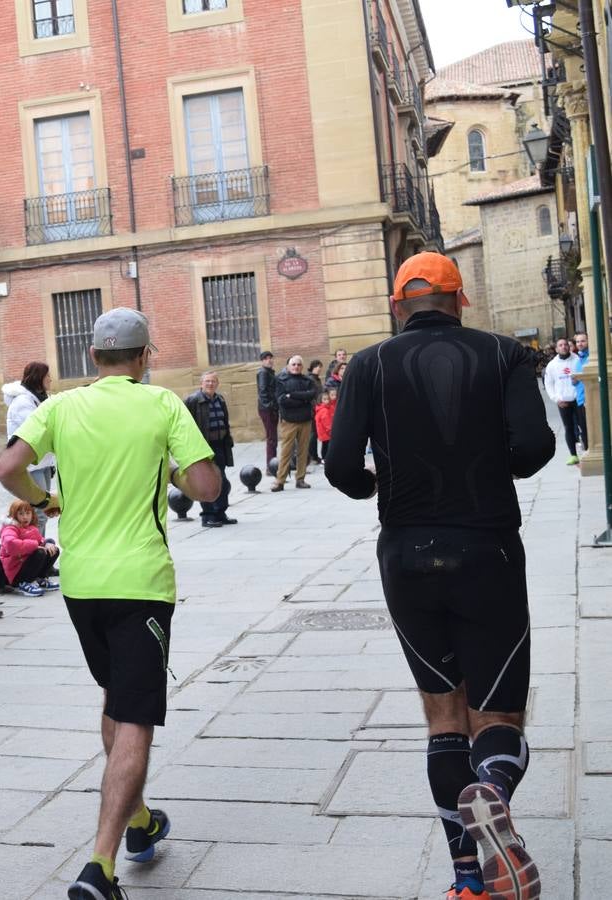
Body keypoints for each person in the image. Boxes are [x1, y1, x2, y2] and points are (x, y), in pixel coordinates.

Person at [325, 252, 553, 900]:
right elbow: (536, 448)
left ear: (400, 305)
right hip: (488, 551)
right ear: (460, 300)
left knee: (443, 717)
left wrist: (373, 481)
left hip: (406, 554)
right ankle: (494, 789)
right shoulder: (506, 355)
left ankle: (466, 877)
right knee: (499, 710)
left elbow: (341, 465)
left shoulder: (367, 364)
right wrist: (486, 465)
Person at [0, 308, 221, 900]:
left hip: (81, 583)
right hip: (141, 581)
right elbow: (206, 487)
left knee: (117, 701)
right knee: (138, 716)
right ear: (145, 358)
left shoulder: (62, 406)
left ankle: (140, 821)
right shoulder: (162, 405)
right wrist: (171, 469)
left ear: (92, 358)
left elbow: (7, 467)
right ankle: (100, 865)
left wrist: (45, 502)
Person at [3, 362, 56, 533]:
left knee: (43, 510)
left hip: (43, 463)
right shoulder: (22, 402)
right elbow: (39, 431)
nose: (50, 380)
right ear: (38, 378)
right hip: (31, 465)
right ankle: (34, 552)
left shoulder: (39, 398)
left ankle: (39, 549)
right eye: (47, 376)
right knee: (38, 512)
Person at [183, 371, 236, 529]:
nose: (210, 384)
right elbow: (184, 424)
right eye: (207, 381)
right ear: (201, 383)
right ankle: (208, 516)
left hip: (220, 445)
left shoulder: (220, 399)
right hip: (203, 446)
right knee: (206, 481)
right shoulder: (193, 400)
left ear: (217, 383)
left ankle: (220, 512)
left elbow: (225, 422)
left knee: (222, 481)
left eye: (213, 381)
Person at [271, 355, 317, 491]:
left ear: (302, 367)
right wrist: (303, 399)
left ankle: (300, 479)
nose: (296, 366)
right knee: (286, 452)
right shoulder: (281, 380)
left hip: (305, 420)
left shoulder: (307, 380)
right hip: (289, 421)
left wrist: (293, 395)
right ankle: (280, 481)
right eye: (293, 364)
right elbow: (282, 400)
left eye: (298, 364)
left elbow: (312, 394)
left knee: (303, 451)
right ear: (288, 366)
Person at [0, 499, 59, 595]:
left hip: (26, 565)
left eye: (27, 513)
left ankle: (40, 578)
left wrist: (48, 542)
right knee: (40, 553)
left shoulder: (31, 528)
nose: (25, 517)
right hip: (16, 570)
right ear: (14, 515)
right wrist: (34, 545)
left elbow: (40, 540)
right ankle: (23, 583)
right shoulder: (10, 528)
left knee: (53, 550)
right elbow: (10, 544)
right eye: (21, 514)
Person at [543, 337, 581, 465]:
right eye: (560, 345)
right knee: (568, 428)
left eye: (565, 344)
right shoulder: (552, 365)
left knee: (584, 426)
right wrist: (556, 399)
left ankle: (587, 450)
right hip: (563, 401)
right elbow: (548, 384)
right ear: (556, 349)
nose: (564, 347)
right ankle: (573, 455)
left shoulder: (577, 359)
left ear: (569, 346)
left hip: (578, 399)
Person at [256, 350, 278, 465]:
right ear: (262, 361)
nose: (269, 360)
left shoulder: (269, 372)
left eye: (270, 358)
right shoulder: (263, 373)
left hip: (271, 408)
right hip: (267, 409)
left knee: (273, 437)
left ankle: (273, 463)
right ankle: (271, 466)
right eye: (266, 358)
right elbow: (263, 391)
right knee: (271, 438)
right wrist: (270, 406)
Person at [305, 360, 324, 464]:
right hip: (313, 410)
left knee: (316, 433)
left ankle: (314, 455)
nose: (319, 369)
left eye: (320, 367)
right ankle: (313, 456)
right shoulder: (310, 379)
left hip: (319, 408)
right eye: (317, 367)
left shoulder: (317, 379)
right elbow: (310, 395)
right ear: (312, 367)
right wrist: (315, 406)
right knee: (313, 434)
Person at [573, 331, 589, 452]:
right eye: (578, 341)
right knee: (584, 429)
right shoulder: (577, 360)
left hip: (590, 400)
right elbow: (575, 383)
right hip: (580, 400)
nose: (580, 344)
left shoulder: (591, 358)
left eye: (583, 341)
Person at [315, 388, 337, 464]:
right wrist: (330, 430)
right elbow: (326, 422)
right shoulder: (324, 410)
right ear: (320, 400)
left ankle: (324, 459)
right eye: (324, 399)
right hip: (326, 433)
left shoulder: (322, 409)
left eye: (327, 399)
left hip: (323, 433)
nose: (327, 401)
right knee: (326, 447)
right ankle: (325, 459)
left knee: (325, 446)